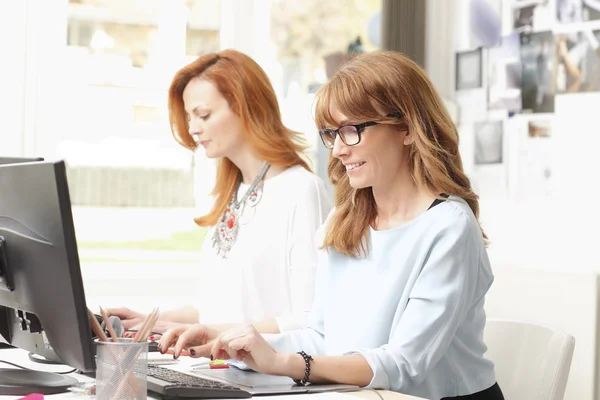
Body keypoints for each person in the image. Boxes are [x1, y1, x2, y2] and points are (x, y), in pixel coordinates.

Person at [160, 51, 504, 400]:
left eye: (351, 131)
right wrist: (235, 344)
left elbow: (403, 365)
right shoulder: (344, 222)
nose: (338, 149)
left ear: (407, 128)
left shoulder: (449, 227)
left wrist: (286, 363)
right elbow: (321, 337)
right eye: (331, 134)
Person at [108, 50, 332, 338]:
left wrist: (211, 333)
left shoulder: (302, 191)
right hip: (220, 369)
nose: (193, 129)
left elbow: (308, 318)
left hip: (267, 379)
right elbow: (222, 310)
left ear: (245, 106)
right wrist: (150, 320)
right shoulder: (231, 192)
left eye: (203, 115)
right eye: (190, 118)